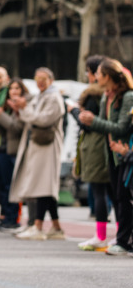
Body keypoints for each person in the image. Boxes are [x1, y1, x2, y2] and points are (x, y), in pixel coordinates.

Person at [78, 58, 133, 255]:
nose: (94, 77)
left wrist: (93, 121)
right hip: (111, 153)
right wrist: (88, 120)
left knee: (123, 197)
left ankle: (124, 241)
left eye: (98, 73)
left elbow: (121, 127)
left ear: (107, 76)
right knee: (119, 197)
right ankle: (122, 239)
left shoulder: (127, 97)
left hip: (125, 153)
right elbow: (102, 124)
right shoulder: (106, 96)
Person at [11, 67, 66, 241]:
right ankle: (56, 227)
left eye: (44, 78)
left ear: (51, 80)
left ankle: (38, 226)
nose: (40, 82)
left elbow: (42, 119)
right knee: (45, 187)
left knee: (43, 186)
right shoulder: (41, 95)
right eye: (37, 78)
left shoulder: (54, 98)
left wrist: (24, 109)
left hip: (47, 146)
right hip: (38, 146)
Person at [73, 56, 111, 250]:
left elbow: (86, 124)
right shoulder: (111, 94)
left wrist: (73, 111)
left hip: (96, 146)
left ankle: (102, 236)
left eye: (90, 71)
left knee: (100, 191)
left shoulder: (94, 95)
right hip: (108, 145)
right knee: (115, 193)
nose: (88, 75)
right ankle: (120, 235)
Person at [0, 78, 28, 231]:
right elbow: (1, 129)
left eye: (17, 88)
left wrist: (0, 116)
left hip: (14, 150)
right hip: (2, 148)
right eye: (12, 89)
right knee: (3, 185)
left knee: (13, 186)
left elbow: (15, 127)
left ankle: (14, 218)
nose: (14, 91)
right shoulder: (7, 105)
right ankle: (6, 216)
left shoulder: (22, 107)